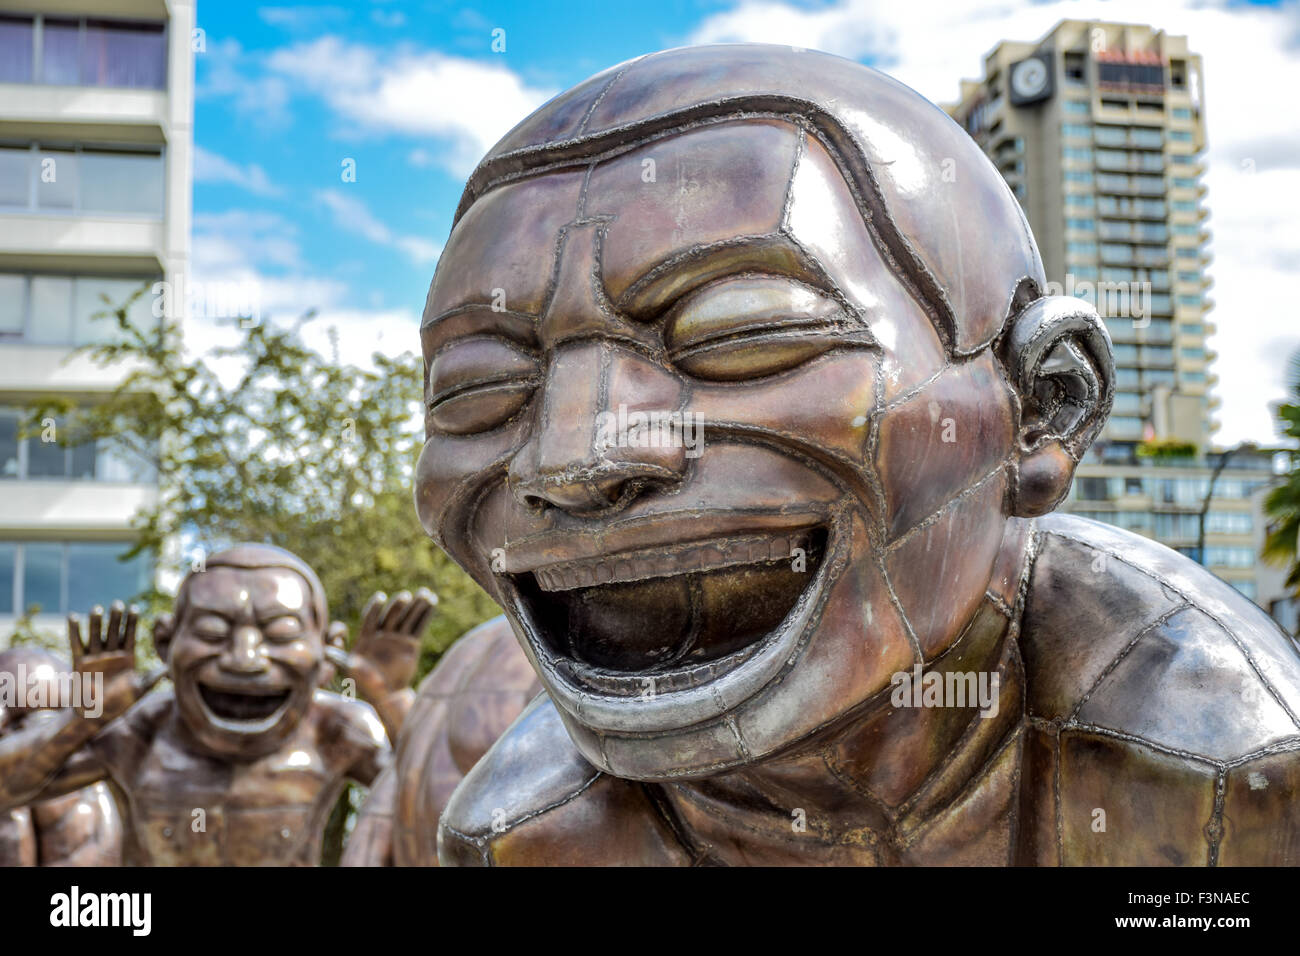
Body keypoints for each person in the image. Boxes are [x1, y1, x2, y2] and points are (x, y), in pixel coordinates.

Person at [406, 44, 1300, 865]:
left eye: (741, 333)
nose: (575, 459)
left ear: (1044, 409)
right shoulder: (532, 840)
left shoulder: (1216, 784)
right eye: (477, 391)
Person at [0, 544, 433, 865]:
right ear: (167, 643)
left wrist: (392, 701)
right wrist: (85, 714)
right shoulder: (140, 731)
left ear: (327, 651)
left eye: (280, 633)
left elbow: (443, 808)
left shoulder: (335, 730)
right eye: (211, 631)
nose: (244, 659)